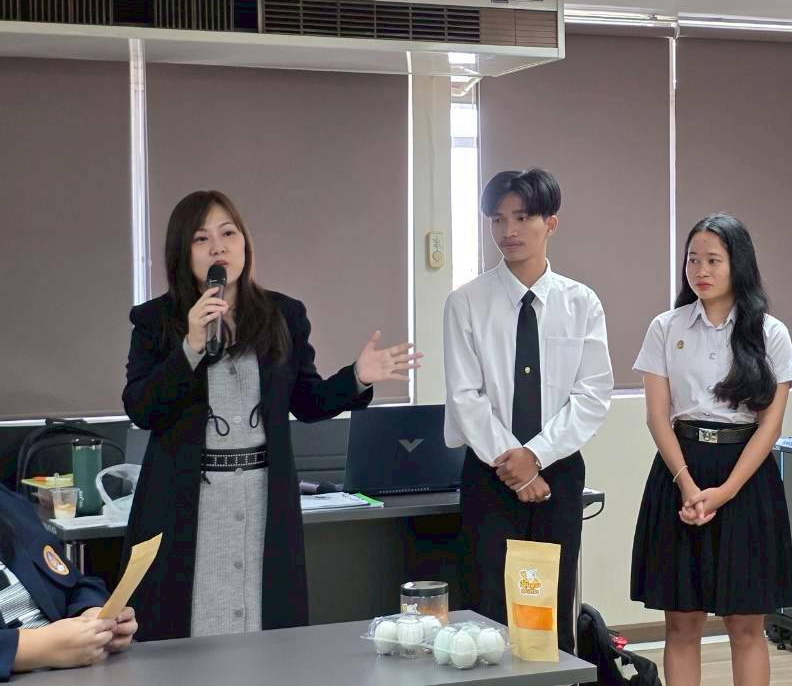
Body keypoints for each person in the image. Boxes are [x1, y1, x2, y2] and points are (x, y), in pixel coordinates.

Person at [122, 190, 419, 640]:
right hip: (187, 500)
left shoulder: (283, 314)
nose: (218, 247)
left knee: (265, 626)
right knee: (187, 628)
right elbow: (141, 407)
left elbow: (308, 401)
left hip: (264, 494)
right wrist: (191, 346)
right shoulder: (155, 320)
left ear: (244, 243)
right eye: (202, 238)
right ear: (183, 252)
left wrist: (357, 377)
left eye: (228, 233)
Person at [443, 168, 612, 653]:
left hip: (557, 473)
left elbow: (592, 393)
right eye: (497, 219)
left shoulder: (581, 302)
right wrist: (514, 466)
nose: (508, 230)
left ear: (550, 223)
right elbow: (464, 395)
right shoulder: (465, 302)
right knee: (489, 613)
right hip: (489, 474)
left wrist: (534, 458)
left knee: (551, 615)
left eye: (521, 217)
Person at [631, 213, 792, 686]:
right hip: (679, 470)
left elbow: (770, 426)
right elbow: (657, 417)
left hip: (745, 476)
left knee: (746, 626)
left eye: (713, 260)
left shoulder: (769, 333)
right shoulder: (666, 327)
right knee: (682, 623)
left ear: (737, 264)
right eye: (692, 260)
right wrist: (687, 485)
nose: (700, 270)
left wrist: (725, 492)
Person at [0, 483, 136, 680]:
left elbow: (72, 582)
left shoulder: (10, 506)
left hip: (81, 670)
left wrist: (94, 616)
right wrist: (34, 647)